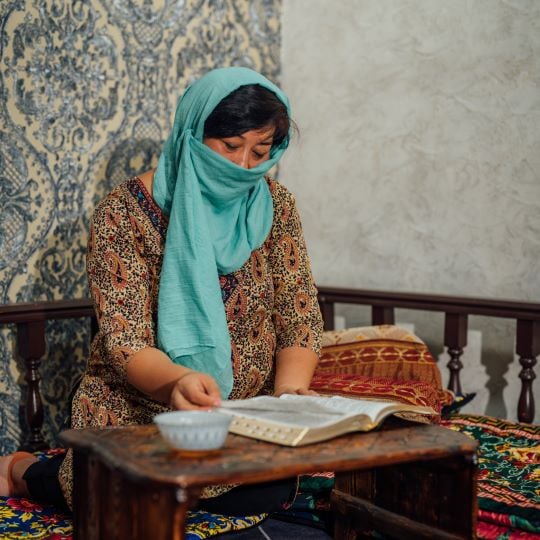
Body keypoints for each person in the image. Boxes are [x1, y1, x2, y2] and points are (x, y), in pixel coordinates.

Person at [0, 67, 323, 517]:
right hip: (140, 408)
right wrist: (177, 383)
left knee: (266, 492)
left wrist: (288, 396)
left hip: (243, 416)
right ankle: (25, 471)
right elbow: (127, 342)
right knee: (121, 499)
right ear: (192, 132)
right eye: (230, 147)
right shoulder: (124, 211)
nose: (244, 166)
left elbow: (299, 314)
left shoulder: (275, 205)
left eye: (261, 151)